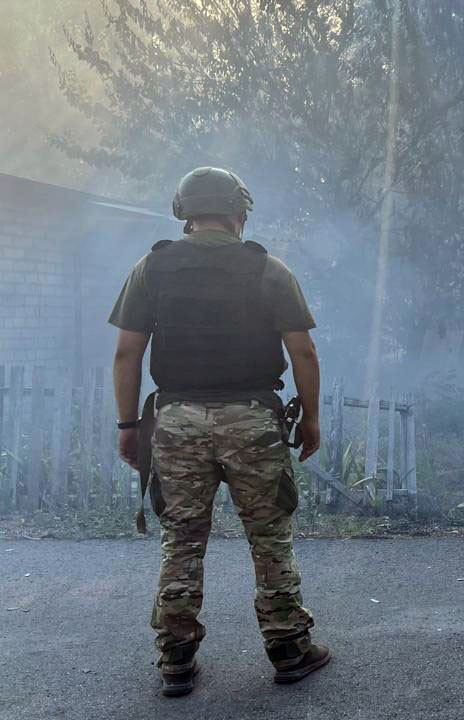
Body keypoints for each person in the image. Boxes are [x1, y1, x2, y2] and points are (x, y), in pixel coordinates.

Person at [109, 167, 330, 697]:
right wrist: (314, 418)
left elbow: (126, 353)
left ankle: (176, 661)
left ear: (183, 212)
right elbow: (302, 351)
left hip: (178, 421)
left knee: (181, 540)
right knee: (269, 539)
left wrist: (126, 426)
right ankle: (289, 650)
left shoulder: (151, 268)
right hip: (252, 419)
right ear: (240, 212)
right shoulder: (269, 269)